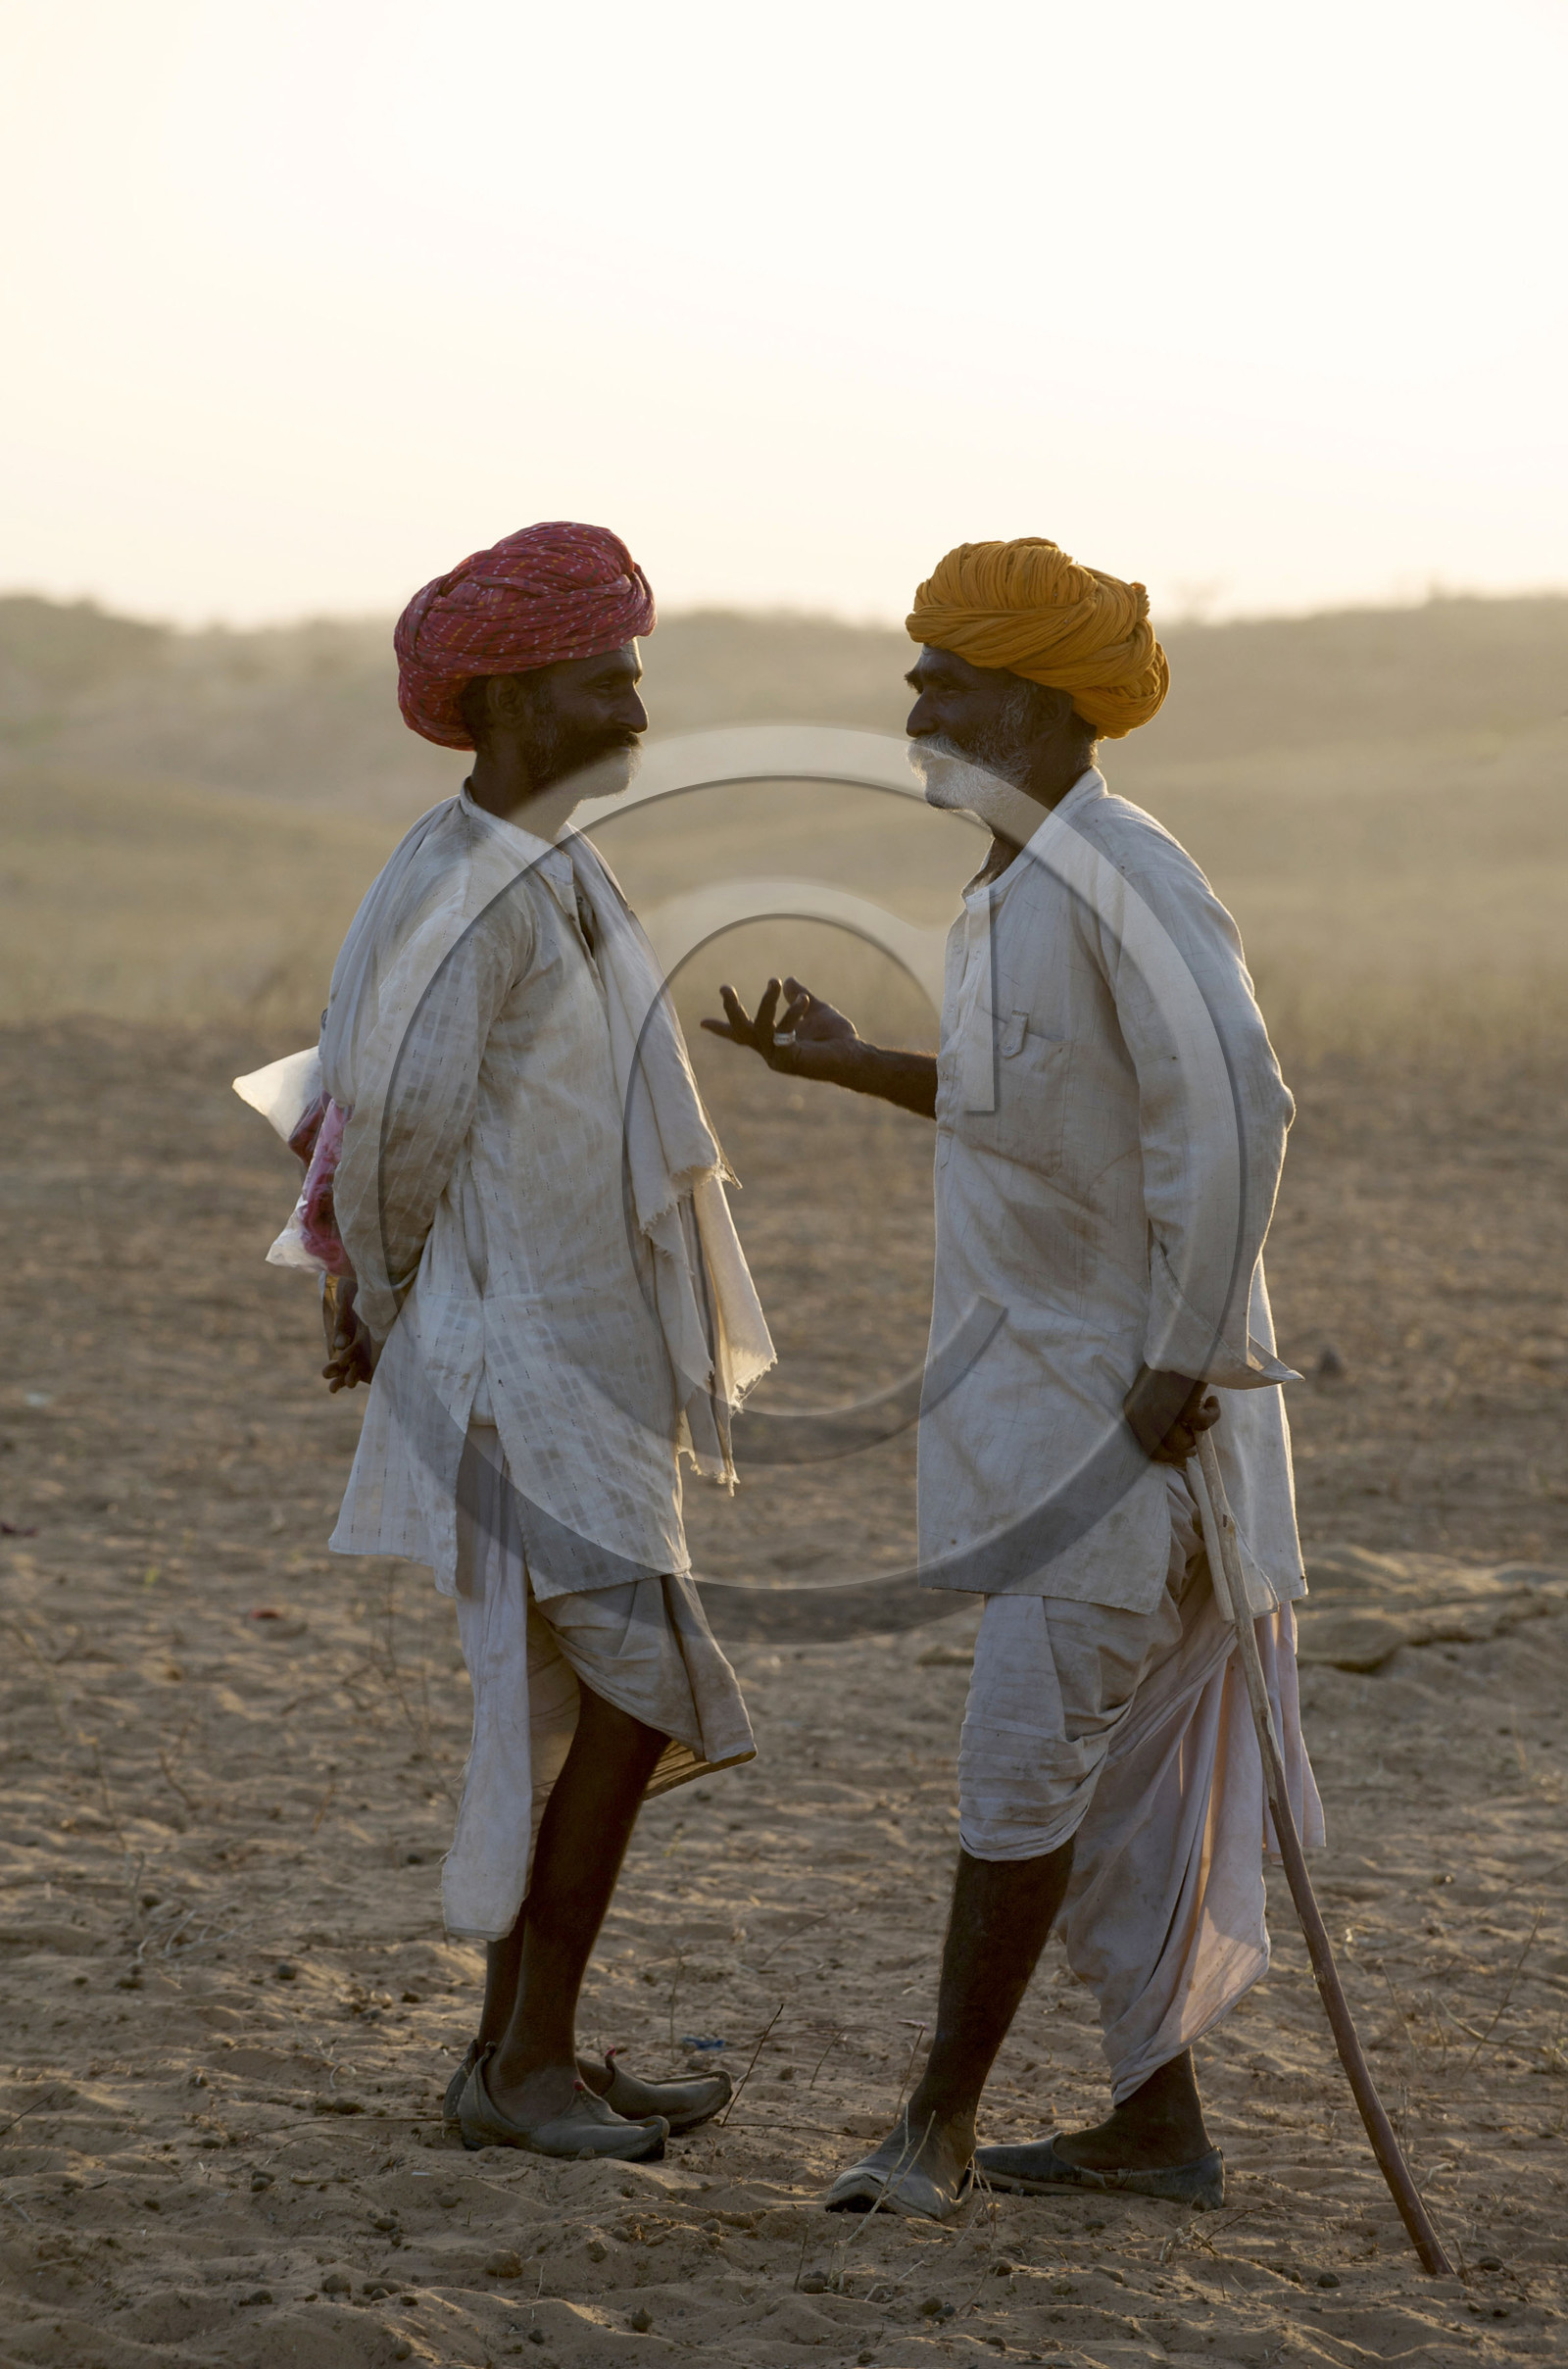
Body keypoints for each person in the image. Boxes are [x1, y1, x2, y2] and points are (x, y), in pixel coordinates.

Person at [706, 536, 1322, 2218]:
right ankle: (1154, 2127)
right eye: (916, 676)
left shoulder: (1127, 871)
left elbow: (1240, 1110)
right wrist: (848, 1066)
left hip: (1128, 1430)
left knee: (1018, 1771)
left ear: (1044, 715)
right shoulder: (1011, 883)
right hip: (1063, 1413)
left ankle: (934, 2130)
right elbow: (1031, 1104)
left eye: (949, 681)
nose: (915, 704)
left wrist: (1176, 1362)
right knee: (1113, 1803)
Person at [318, 521, 774, 2162]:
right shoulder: (467, 882)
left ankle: (517, 2055)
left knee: (577, 1706)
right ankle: (527, 2059)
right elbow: (392, 1128)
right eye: (610, 674)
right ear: (515, 697)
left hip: (578, 1353)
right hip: (520, 1367)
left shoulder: (550, 860)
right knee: (632, 1694)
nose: (635, 696)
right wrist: (376, 1297)